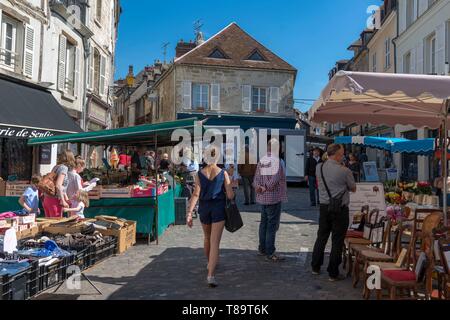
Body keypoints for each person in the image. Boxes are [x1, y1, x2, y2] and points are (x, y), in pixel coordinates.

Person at [186, 145, 235, 288]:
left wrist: (189, 213)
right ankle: (210, 275)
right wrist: (231, 186)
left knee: (207, 238)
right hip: (218, 209)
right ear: (217, 157)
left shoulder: (199, 174)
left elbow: (195, 194)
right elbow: (230, 195)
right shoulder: (223, 173)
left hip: (204, 209)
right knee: (215, 243)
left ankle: (210, 263)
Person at [311, 144, 357, 281]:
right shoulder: (345, 171)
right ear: (336, 155)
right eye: (342, 153)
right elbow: (353, 188)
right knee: (337, 241)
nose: (343, 156)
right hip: (340, 209)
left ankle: (315, 266)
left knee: (321, 236)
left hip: (324, 207)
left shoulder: (319, 167)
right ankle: (333, 272)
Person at [254, 138, 288, 262]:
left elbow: (256, 178)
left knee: (263, 224)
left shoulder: (262, 160)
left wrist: (258, 187)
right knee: (271, 226)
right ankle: (270, 251)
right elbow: (274, 180)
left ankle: (262, 249)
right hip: (273, 198)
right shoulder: (276, 161)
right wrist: (264, 187)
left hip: (262, 198)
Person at [43, 150, 75, 218]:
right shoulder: (63, 168)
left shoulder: (56, 167)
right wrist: (63, 201)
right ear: (70, 158)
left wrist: (66, 198)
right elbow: (58, 185)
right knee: (55, 225)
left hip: (47, 199)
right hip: (55, 200)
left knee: (48, 225)